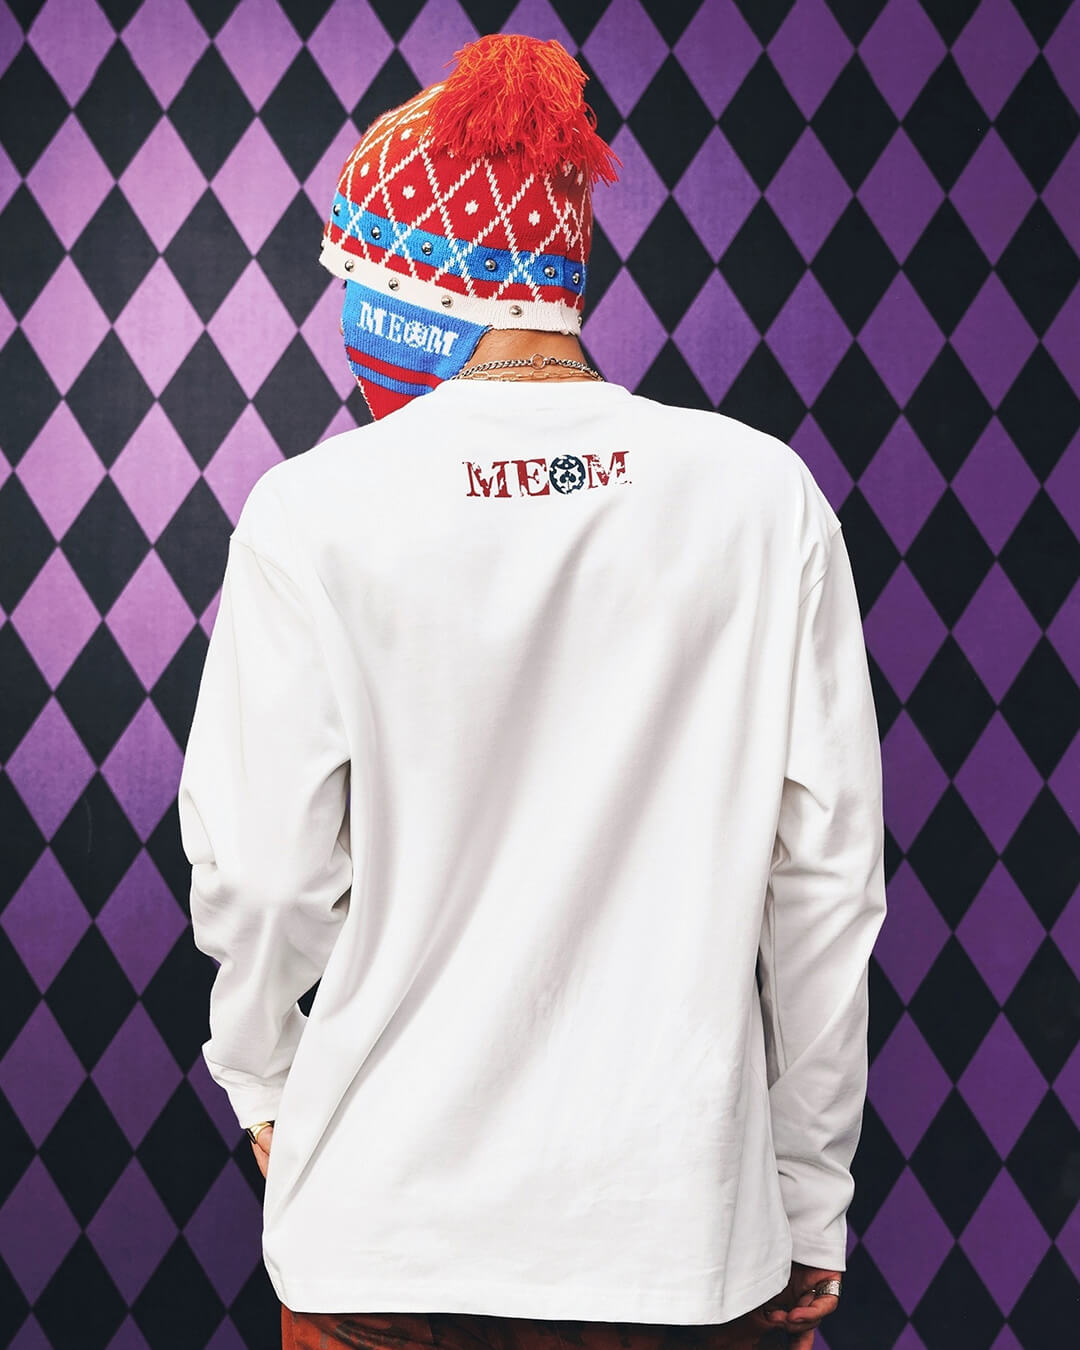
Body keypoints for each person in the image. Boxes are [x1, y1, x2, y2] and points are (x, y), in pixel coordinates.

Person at [178, 33, 888, 1350]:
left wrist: (266, 1079)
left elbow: (267, 880)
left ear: (405, 286)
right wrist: (808, 1196)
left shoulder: (311, 511)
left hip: (380, 1239)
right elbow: (827, 890)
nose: (344, 327)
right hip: (676, 1246)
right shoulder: (763, 498)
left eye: (349, 282)